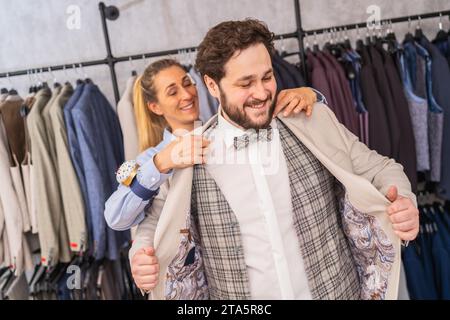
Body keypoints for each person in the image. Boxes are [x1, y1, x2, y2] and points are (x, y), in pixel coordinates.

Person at [129, 19, 420, 300]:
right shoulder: (188, 155)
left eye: (267, 77)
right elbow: (153, 221)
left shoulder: (312, 120)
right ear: (213, 85)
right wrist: (140, 255)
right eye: (245, 83)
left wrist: (404, 201)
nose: (262, 92)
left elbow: (382, 168)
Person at [105, 59, 324, 231]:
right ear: (155, 107)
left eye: (187, 83)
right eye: (173, 92)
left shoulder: (233, 127)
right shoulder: (152, 159)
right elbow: (116, 218)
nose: (187, 94)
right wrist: (162, 163)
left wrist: (311, 95)